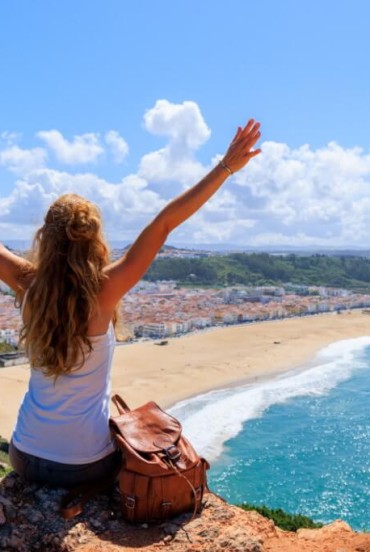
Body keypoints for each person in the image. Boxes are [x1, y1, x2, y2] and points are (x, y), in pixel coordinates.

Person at [1, 119, 261, 487]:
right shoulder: (105, 289)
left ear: (46, 237)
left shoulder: (28, 284)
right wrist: (225, 167)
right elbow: (165, 223)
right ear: (94, 240)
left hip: (24, 455)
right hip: (84, 465)